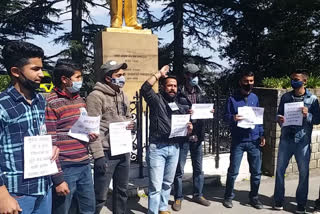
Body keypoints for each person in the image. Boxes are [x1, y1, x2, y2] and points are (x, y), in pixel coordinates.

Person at [0, 41, 58, 214]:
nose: (41, 74)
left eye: (41, 68)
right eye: (35, 69)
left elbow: (38, 133)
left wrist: (52, 147)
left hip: (43, 188)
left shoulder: (40, 100)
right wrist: (2, 194)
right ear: (16, 72)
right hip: (16, 194)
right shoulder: (2, 105)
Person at [45, 59, 97, 214]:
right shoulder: (51, 103)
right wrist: (58, 179)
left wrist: (90, 135)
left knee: (88, 208)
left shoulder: (80, 100)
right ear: (64, 79)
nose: (80, 81)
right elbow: (50, 142)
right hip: (66, 167)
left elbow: (80, 129)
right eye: (78, 77)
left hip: (84, 164)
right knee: (63, 210)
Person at [141, 65, 193, 214]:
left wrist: (188, 129)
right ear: (163, 87)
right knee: (155, 186)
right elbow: (145, 88)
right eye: (169, 85)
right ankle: (153, 211)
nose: (172, 88)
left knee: (167, 183)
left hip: (175, 148)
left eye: (175, 86)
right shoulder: (156, 100)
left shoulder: (179, 105)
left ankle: (163, 208)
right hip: (158, 148)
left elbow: (183, 128)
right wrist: (159, 74)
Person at [86, 60, 134, 214]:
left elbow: (127, 117)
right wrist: (98, 156)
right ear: (108, 78)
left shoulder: (123, 95)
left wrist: (132, 124)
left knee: (122, 191)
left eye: (123, 74)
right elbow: (92, 128)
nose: (123, 78)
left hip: (123, 151)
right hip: (106, 153)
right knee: (100, 195)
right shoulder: (95, 96)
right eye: (119, 75)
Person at [273, 71, 320, 213]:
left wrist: (308, 115)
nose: (293, 81)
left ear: (304, 81)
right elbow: (279, 114)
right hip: (286, 139)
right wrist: (279, 119)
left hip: (302, 142)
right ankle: (279, 200)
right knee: (280, 171)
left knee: (303, 173)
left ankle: (301, 203)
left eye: (297, 79)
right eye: (292, 79)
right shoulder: (286, 96)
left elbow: (318, 120)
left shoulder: (312, 99)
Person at [223, 71, 265, 209]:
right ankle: (228, 197)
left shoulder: (255, 97)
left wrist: (262, 134)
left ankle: (254, 198)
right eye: (246, 81)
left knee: (256, 172)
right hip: (238, 141)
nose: (249, 84)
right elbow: (224, 117)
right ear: (241, 82)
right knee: (233, 171)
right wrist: (233, 118)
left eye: (251, 81)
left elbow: (259, 119)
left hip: (254, 140)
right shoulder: (232, 99)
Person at [172, 64, 211, 211]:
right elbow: (173, 108)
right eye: (193, 75)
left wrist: (209, 111)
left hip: (198, 135)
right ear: (186, 75)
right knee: (179, 170)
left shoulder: (202, 91)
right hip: (183, 135)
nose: (195, 78)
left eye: (197, 75)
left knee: (198, 168)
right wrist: (185, 111)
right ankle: (178, 197)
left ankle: (198, 194)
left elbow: (205, 110)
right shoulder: (179, 92)